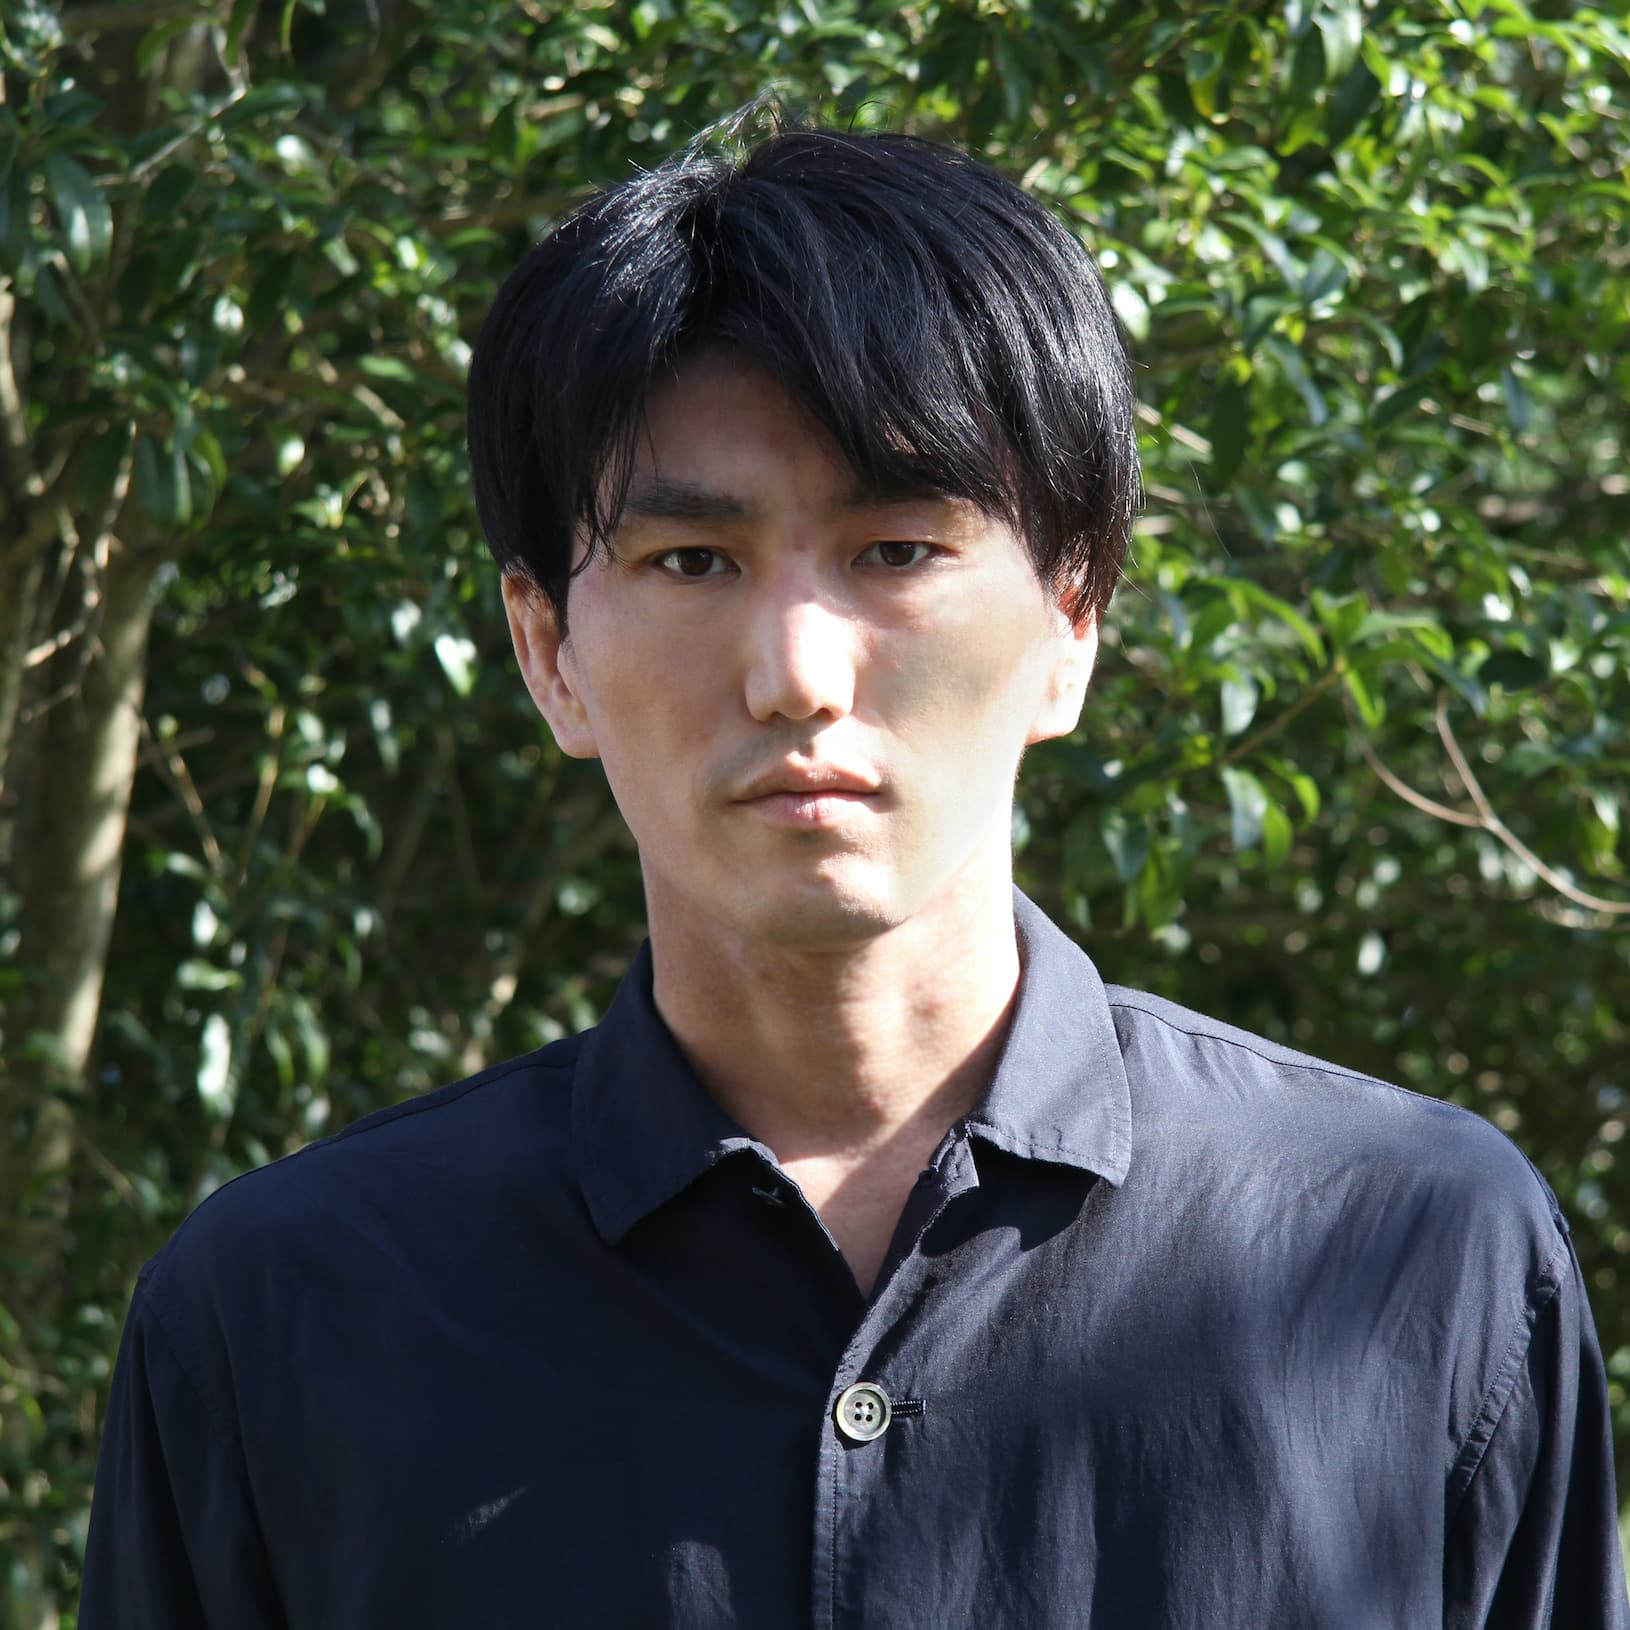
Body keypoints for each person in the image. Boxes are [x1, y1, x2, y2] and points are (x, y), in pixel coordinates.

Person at [80, 119, 1627, 1629]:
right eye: (693, 561)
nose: (796, 675)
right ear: (546, 650)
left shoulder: (1419, 1253)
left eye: (896, 550)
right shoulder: (284, 1319)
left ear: (1072, 620)